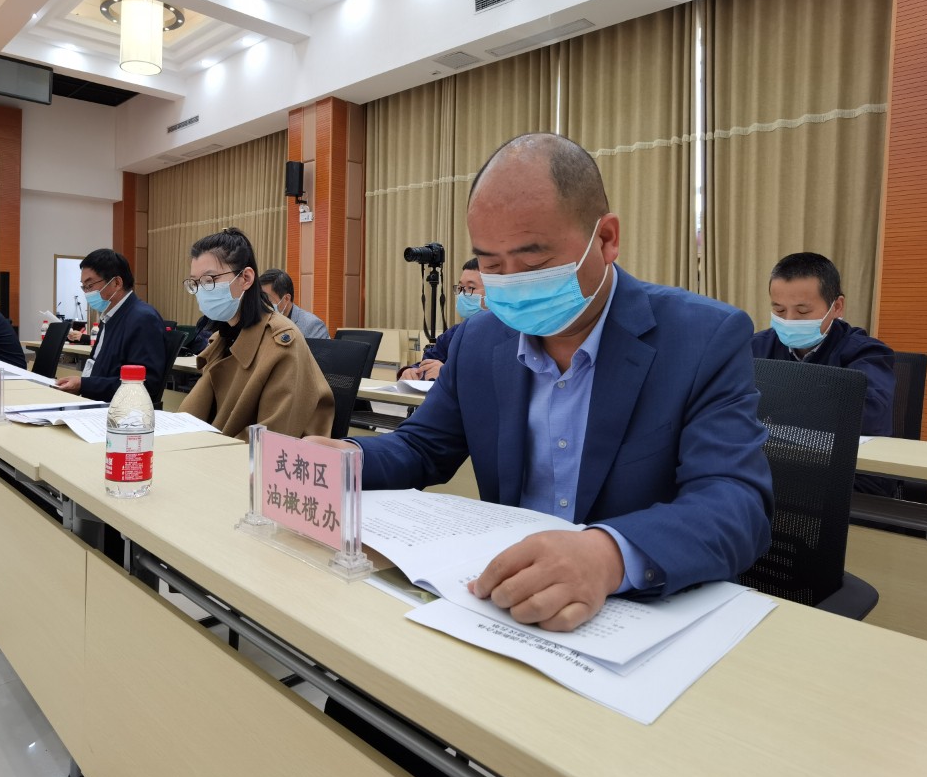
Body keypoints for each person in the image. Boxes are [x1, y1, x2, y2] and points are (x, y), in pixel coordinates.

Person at [313, 133, 773, 632]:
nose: (512, 283)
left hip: (640, 613)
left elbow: (735, 504)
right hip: (506, 606)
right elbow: (423, 447)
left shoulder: (702, 337)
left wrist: (607, 554)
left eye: (533, 263)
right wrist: (348, 458)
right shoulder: (480, 340)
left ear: (606, 239)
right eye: (492, 265)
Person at [751, 251, 896, 496]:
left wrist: (775, 408)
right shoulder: (755, 347)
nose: (789, 320)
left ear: (836, 307)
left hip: (845, 473)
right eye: (779, 310)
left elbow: (866, 414)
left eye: (802, 311)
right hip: (776, 462)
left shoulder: (867, 354)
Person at [179, 228, 334, 440]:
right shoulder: (222, 337)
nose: (201, 291)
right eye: (195, 283)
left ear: (246, 278)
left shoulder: (281, 342)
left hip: (262, 456)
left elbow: (272, 437)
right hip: (218, 447)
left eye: (209, 280)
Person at [55, 249, 166, 403]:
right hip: (95, 402)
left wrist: (84, 385)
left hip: (118, 410)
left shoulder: (143, 318)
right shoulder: (110, 316)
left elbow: (144, 384)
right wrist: (84, 385)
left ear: (116, 283)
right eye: (84, 287)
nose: (86, 293)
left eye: (90, 285)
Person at [399, 258, 485, 381]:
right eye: (460, 288)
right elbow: (430, 361)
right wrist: (412, 371)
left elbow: (494, 380)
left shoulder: (508, 333)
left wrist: (447, 373)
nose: (462, 294)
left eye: (470, 288)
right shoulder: (455, 333)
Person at [258, 269, 329, 340]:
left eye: (267, 300)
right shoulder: (259, 323)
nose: (263, 304)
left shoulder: (312, 325)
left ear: (286, 299)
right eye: (260, 299)